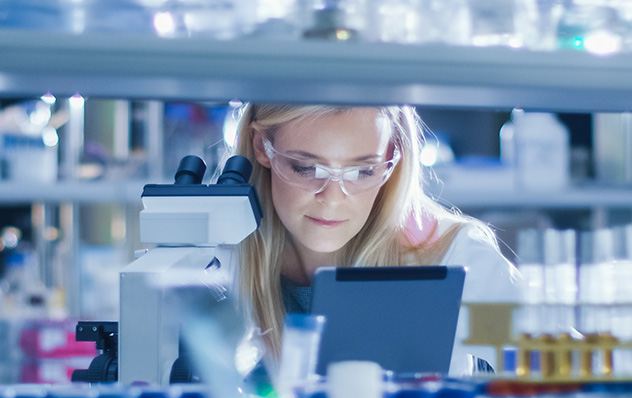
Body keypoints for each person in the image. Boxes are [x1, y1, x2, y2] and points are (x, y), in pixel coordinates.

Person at [220, 103, 522, 376]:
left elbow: (557, 377)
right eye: (307, 168)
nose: (333, 198)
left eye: (363, 171)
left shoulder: (455, 258)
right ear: (262, 146)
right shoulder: (218, 261)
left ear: (392, 158)